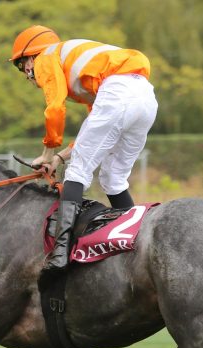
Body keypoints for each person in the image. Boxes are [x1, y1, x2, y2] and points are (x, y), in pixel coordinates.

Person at [9, 25, 158, 274]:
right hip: (145, 98)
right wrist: (59, 157)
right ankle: (134, 243)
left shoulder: (46, 58)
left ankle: (60, 253)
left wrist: (46, 154)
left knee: (78, 172)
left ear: (32, 56)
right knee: (113, 177)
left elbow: (55, 108)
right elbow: (93, 135)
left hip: (119, 94)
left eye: (22, 65)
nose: (25, 74)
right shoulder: (88, 71)